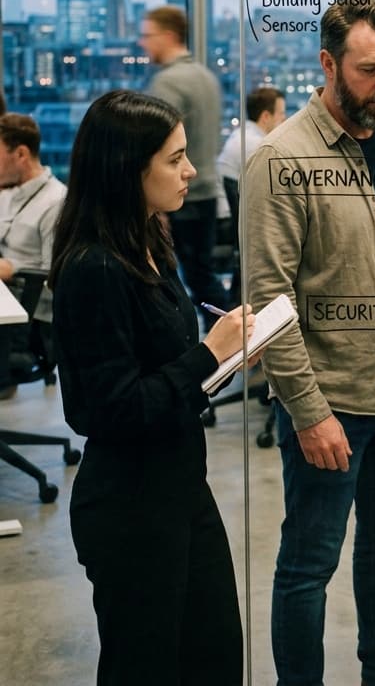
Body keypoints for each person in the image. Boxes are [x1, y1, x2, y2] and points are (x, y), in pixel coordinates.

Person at [245, 0, 375, 686]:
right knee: (308, 564)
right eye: (368, 70)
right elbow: (270, 302)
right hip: (335, 403)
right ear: (328, 63)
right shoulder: (280, 160)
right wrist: (309, 411)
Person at [49, 90, 254, 686]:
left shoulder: (148, 242)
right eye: (175, 159)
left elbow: (160, 370)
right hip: (131, 507)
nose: (191, 170)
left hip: (179, 487)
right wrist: (208, 354)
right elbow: (107, 410)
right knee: (146, 666)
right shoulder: (96, 269)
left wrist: (222, 357)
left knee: (214, 655)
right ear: (127, 169)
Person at [140, 5, 228, 327]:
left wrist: (154, 207)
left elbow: (156, 148)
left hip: (178, 198)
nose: (143, 44)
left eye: (148, 36)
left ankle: (228, 343)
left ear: (169, 36)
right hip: (205, 192)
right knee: (202, 273)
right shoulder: (206, 78)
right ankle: (234, 343)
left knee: (173, 280)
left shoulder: (167, 84)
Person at [0, 113, 67, 399]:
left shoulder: (56, 201)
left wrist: (11, 269)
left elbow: (56, 276)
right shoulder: (9, 193)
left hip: (31, 326)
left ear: (21, 154)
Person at [217, 86, 286, 301]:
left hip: (228, 221)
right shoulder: (258, 146)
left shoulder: (242, 136)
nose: (285, 121)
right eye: (282, 114)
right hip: (232, 226)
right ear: (266, 116)